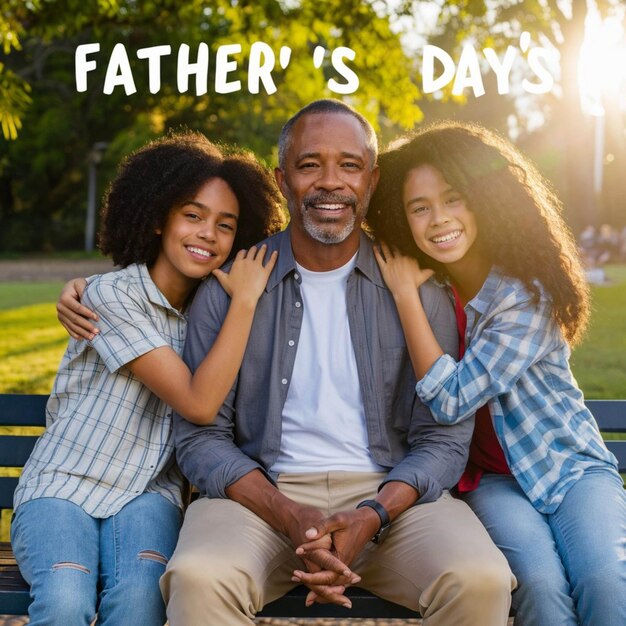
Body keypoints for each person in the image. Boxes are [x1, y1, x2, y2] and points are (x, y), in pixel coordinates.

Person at [155, 100, 515, 626]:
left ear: (371, 180)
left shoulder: (416, 288)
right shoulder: (232, 285)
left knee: (478, 580)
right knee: (199, 579)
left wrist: (373, 513)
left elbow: (442, 438)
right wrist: (287, 512)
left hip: (393, 498)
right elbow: (200, 436)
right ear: (283, 179)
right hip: (260, 496)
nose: (330, 182)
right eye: (309, 165)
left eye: (349, 166)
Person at [13, 131, 283, 626]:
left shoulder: (216, 316)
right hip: (62, 487)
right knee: (66, 601)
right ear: (159, 217)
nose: (208, 234)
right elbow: (198, 404)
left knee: (140, 604)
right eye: (193, 215)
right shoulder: (112, 296)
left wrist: (239, 304)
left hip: (148, 496)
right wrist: (245, 302)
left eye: (226, 225)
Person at [367, 120, 626, 626]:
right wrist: (408, 292)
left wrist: (404, 294)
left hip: (570, 468)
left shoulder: (526, 294)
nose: (438, 219)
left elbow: (451, 399)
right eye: (420, 208)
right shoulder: (431, 291)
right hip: (490, 481)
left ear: (485, 200)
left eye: (453, 199)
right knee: (540, 587)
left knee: (605, 579)